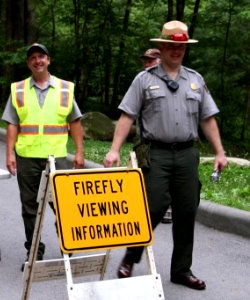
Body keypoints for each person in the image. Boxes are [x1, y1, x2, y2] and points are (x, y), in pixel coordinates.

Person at [103, 21, 227, 290]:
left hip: (186, 154)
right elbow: (127, 116)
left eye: (180, 46)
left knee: (186, 210)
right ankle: (130, 257)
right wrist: (114, 149)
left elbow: (208, 118)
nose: (176, 50)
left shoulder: (195, 80)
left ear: (185, 48)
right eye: (171, 45)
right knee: (153, 206)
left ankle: (181, 269)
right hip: (155, 153)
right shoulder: (144, 80)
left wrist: (219, 151)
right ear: (161, 47)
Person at [1, 43, 85, 268]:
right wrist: (9, 154)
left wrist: (79, 152)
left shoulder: (65, 88)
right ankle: (34, 251)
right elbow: (12, 124)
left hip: (56, 157)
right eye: (32, 58)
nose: (37, 61)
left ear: (48, 60)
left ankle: (68, 246)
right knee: (29, 207)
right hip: (27, 156)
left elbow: (75, 121)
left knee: (62, 205)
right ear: (29, 63)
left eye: (41, 57)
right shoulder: (18, 90)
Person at [140, 48, 173, 224]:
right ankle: (146, 207)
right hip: (145, 138)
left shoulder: (172, 81)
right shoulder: (142, 81)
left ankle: (167, 209)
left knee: (165, 174)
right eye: (144, 61)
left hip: (166, 140)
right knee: (145, 170)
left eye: (150, 60)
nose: (146, 64)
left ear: (160, 61)